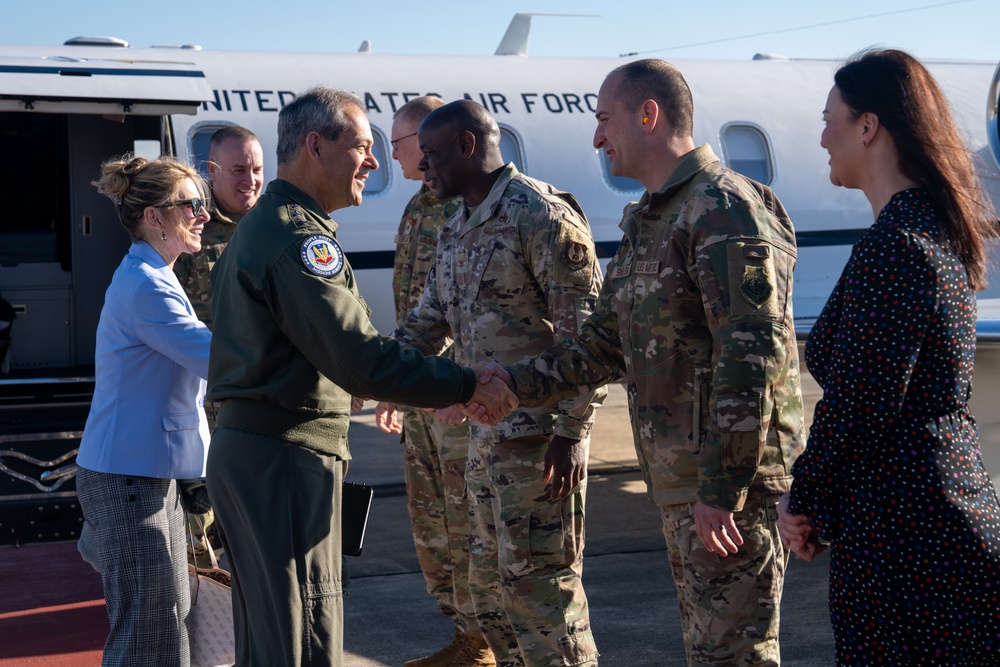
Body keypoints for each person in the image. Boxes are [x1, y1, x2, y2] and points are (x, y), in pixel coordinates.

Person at [478, 59, 805, 666]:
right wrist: (507, 386)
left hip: (726, 491)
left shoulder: (723, 210)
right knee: (711, 653)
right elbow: (602, 345)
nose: (597, 138)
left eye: (605, 120)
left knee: (733, 658)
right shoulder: (651, 217)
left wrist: (724, 488)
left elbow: (751, 355)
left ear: (648, 115)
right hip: (686, 485)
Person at [204, 87, 517, 667]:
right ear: (315, 146)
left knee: (276, 639)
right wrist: (467, 385)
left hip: (265, 457)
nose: (373, 163)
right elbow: (360, 360)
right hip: (282, 462)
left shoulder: (274, 226)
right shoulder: (296, 238)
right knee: (302, 642)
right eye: (363, 147)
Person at [776, 49, 1000, 665]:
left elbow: (861, 403)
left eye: (830, 119)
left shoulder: (897, 247)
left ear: (867, 126)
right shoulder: (925, 230)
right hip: (925, 521)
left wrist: (803, 498)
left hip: (912, 539)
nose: (822, 138)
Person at [389, 99, 605, 667]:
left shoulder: (540, 217)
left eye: (431, 155)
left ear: (467, 146)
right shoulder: (457, 226)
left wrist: (571, 433)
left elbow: (590, 342)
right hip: (485, 447)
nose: (422, 167)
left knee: (542, 601)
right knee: (489, 599)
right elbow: (425, 325)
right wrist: (367, 371)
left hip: (539, 449)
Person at [75, 154, 213, 666]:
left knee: (164, 620)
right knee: (147, 634)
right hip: (129, 479)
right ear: (155, 217)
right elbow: (217, 360)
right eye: (191, 204)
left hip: (145, 475)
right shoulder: (148, 286)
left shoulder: (154, 274)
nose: (203, 213)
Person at [377, 96, 492, 667]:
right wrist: (398, 385)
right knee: (432, 523)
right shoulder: (418, 209)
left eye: (404, 144)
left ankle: (486, 640)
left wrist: (447, 387)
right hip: (423, 390)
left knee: (466, 517)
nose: (402, 156)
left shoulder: (462, 207)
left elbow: (466, 309)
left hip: (452, 396)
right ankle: (465, 637)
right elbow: (418, 311)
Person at [173, 125, 264, 329]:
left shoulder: (275, 223)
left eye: (257, 170)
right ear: (213, 170)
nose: (251, 181)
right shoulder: (190, 227)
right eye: (238, 170)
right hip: (208, 355)